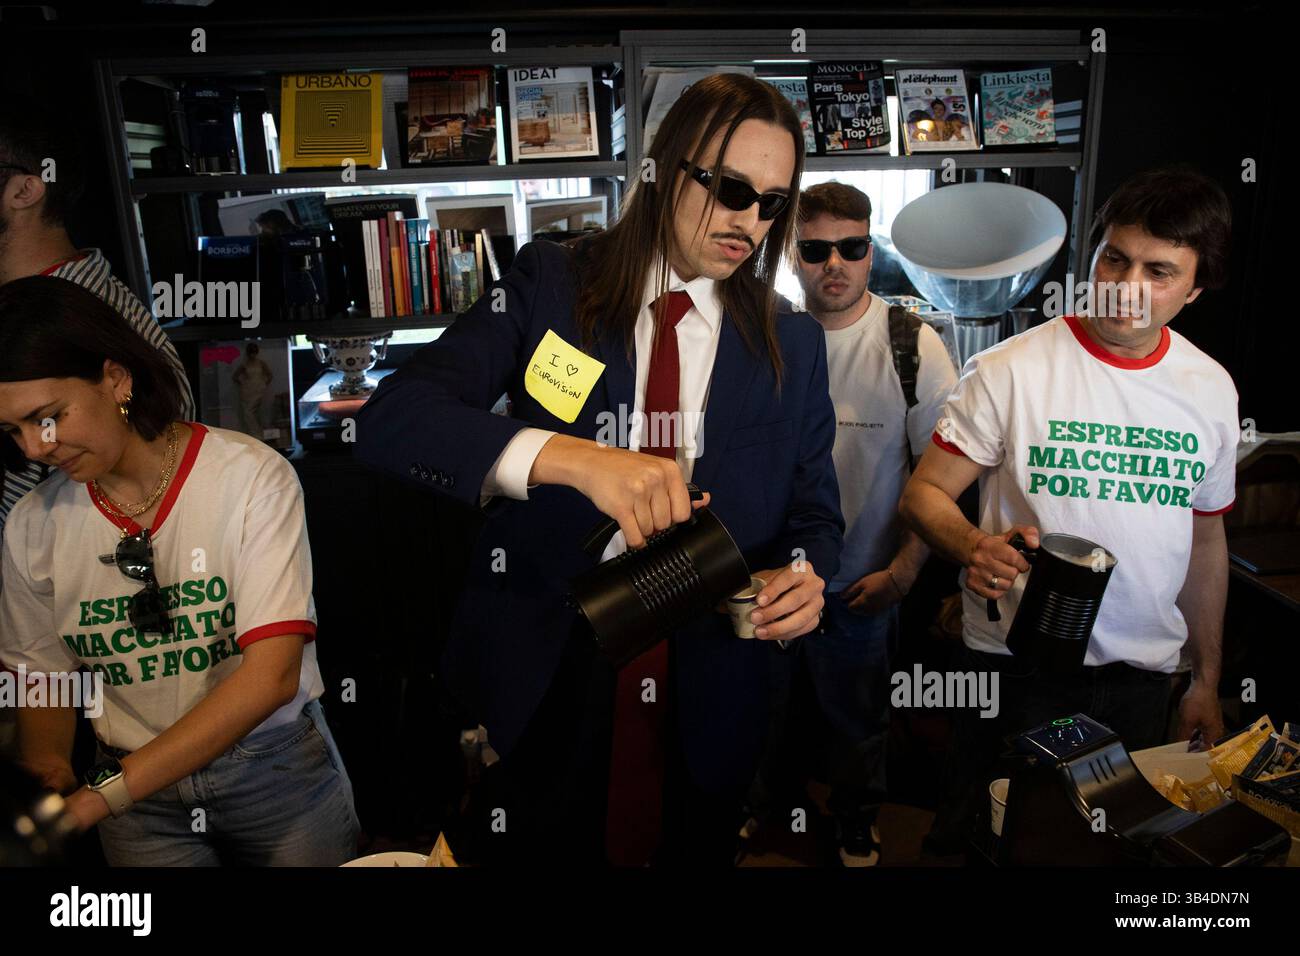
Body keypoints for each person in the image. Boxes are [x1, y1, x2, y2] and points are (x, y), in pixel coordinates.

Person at [354, 72, 844, 867]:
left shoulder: (793, 344)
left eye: (773, 203)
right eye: (728, 188)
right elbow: (394, 420)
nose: (749, 221)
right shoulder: (552, 285)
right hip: (555, 656)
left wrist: (806, 575)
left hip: (710, 668)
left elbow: (816, 516)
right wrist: (570, 459)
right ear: (663, 169)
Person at [899, 166, 1237, 851]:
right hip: (1014, 666)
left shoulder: (1211, 389)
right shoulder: (1009, 369)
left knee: (1107, 847)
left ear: (1195, 288)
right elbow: (922, 495)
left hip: (1142, 677)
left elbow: (1205, 544)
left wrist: (1205, 678)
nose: (1126, 286)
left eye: (1159, 271)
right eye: (1115, 257)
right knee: (981, 836)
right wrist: (970, 545)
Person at [0, 276, 359, 866]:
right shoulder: (33, 524)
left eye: (48, 417)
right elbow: (44, 676)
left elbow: (269, 680)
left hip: (271, 771)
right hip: (136, 804)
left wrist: (93, 803)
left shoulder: (249, 478)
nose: (36, 449)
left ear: (115, 378)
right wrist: (48, 774)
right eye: (14, 431)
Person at [750, 181, 956, 865]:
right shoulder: (765, 337)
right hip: (774, 576)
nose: (833, 263)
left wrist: (902, 573)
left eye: (851, 247)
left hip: (865, 580)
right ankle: (762, 811)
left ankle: (855, 821)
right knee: (763, 712)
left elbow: (940, 479)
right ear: (793, 253)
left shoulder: (913, 345)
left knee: (858, 720)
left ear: (871, 252)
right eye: (814, 248)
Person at [0, 104, 193, 528]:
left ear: (24, 191)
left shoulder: (86, 319)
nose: (33, 444)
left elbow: (155, 498)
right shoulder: (40, 303)